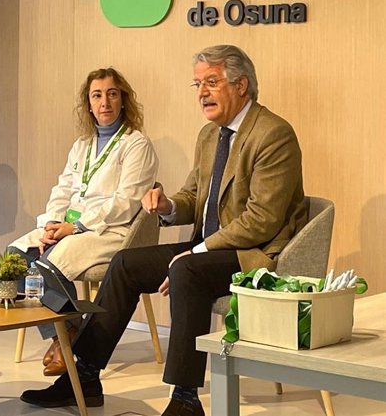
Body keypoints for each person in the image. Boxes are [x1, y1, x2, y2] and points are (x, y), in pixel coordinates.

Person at [20, 45, 308, 415]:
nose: (202, 92)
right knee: (125, 264)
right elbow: (193, 195)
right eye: (198, 84)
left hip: (255, 254)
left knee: (186, 269)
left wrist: (196, 252)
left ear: (242, 86)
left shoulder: (273, 134)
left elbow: (261, 220)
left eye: (211, 82)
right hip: (207, 248)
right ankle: (85, 376)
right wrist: (168, 205)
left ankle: (185, 400)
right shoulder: (210, 135)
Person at [8, 67, 157, 376]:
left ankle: (65, 342)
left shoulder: (137, 145)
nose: (105, 102)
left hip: (110, 231)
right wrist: (52, 224)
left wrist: (74, 227)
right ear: (88, 104)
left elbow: (126, 202)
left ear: (123, 100)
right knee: (15, 259)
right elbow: (63, 190)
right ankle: (69, 331)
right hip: (70, 228)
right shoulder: (82, 145)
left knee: (48, 266)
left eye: (112, 94)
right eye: (97, 96)